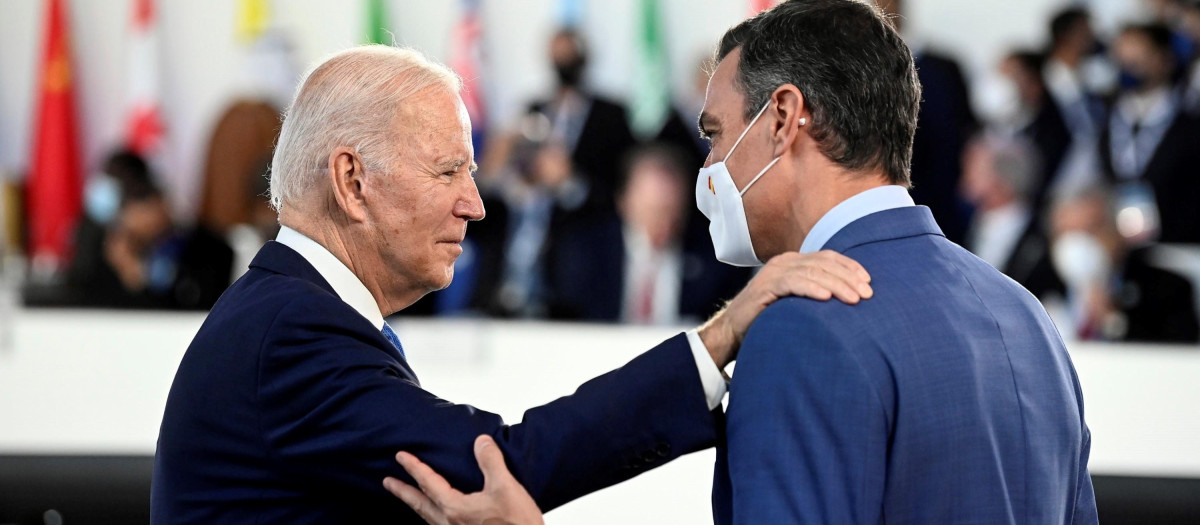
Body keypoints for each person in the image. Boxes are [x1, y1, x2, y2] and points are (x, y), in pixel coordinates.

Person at [386, 1, 1099, 523]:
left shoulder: (807, 327)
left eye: (716, 132)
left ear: (785, 118)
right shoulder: (1024, 316)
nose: (710, 164)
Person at [149, 45, 873, 524]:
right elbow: (498, 466)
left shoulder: (288, 314)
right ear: (352, 180)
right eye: (448, 171)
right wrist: (719, 337)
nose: (477, 202)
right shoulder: (293, 335)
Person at [548, 144, 752, 323]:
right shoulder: (585, 255)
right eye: (652, 212)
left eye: (672, 213)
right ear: (624, 204)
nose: (663, 225)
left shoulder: (714, 261)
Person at [1049, 189, 1199, 343]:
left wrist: (1112, 321)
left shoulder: (1166, 289)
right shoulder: (1039, 286)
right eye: (1068, 234)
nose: (1079, 246)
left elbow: (1177, 354)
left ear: (1116, 232)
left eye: (1090, 231)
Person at [1100, 23, 1200, 243]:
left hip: (1181, 247)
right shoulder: (1107, 116)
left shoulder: (1190, 123)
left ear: (1165, 59)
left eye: (1139, 53)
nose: (1128, 62)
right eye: (1122, 53)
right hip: (1121, 246)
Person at [961, 132, 1066, 300]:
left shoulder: (1042, 240)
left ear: (1002, 179)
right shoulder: (965, 227)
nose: (965, 177)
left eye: (973, 169)